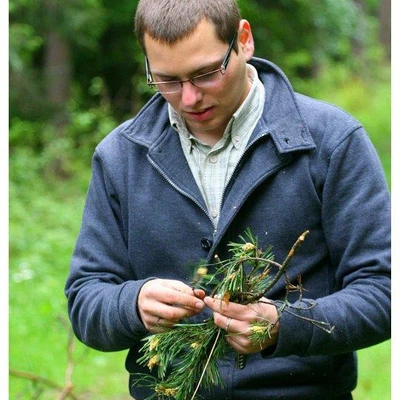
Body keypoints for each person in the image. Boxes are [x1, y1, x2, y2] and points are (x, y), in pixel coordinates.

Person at [65, 0, 391, 399]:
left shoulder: (331, 142)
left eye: (205, 74)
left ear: (244, 40)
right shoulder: (120, 157)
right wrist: (132, 304)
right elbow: (85, 300)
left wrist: (282, 325)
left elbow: (383, 291)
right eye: (166, 80)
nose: (188, 99)